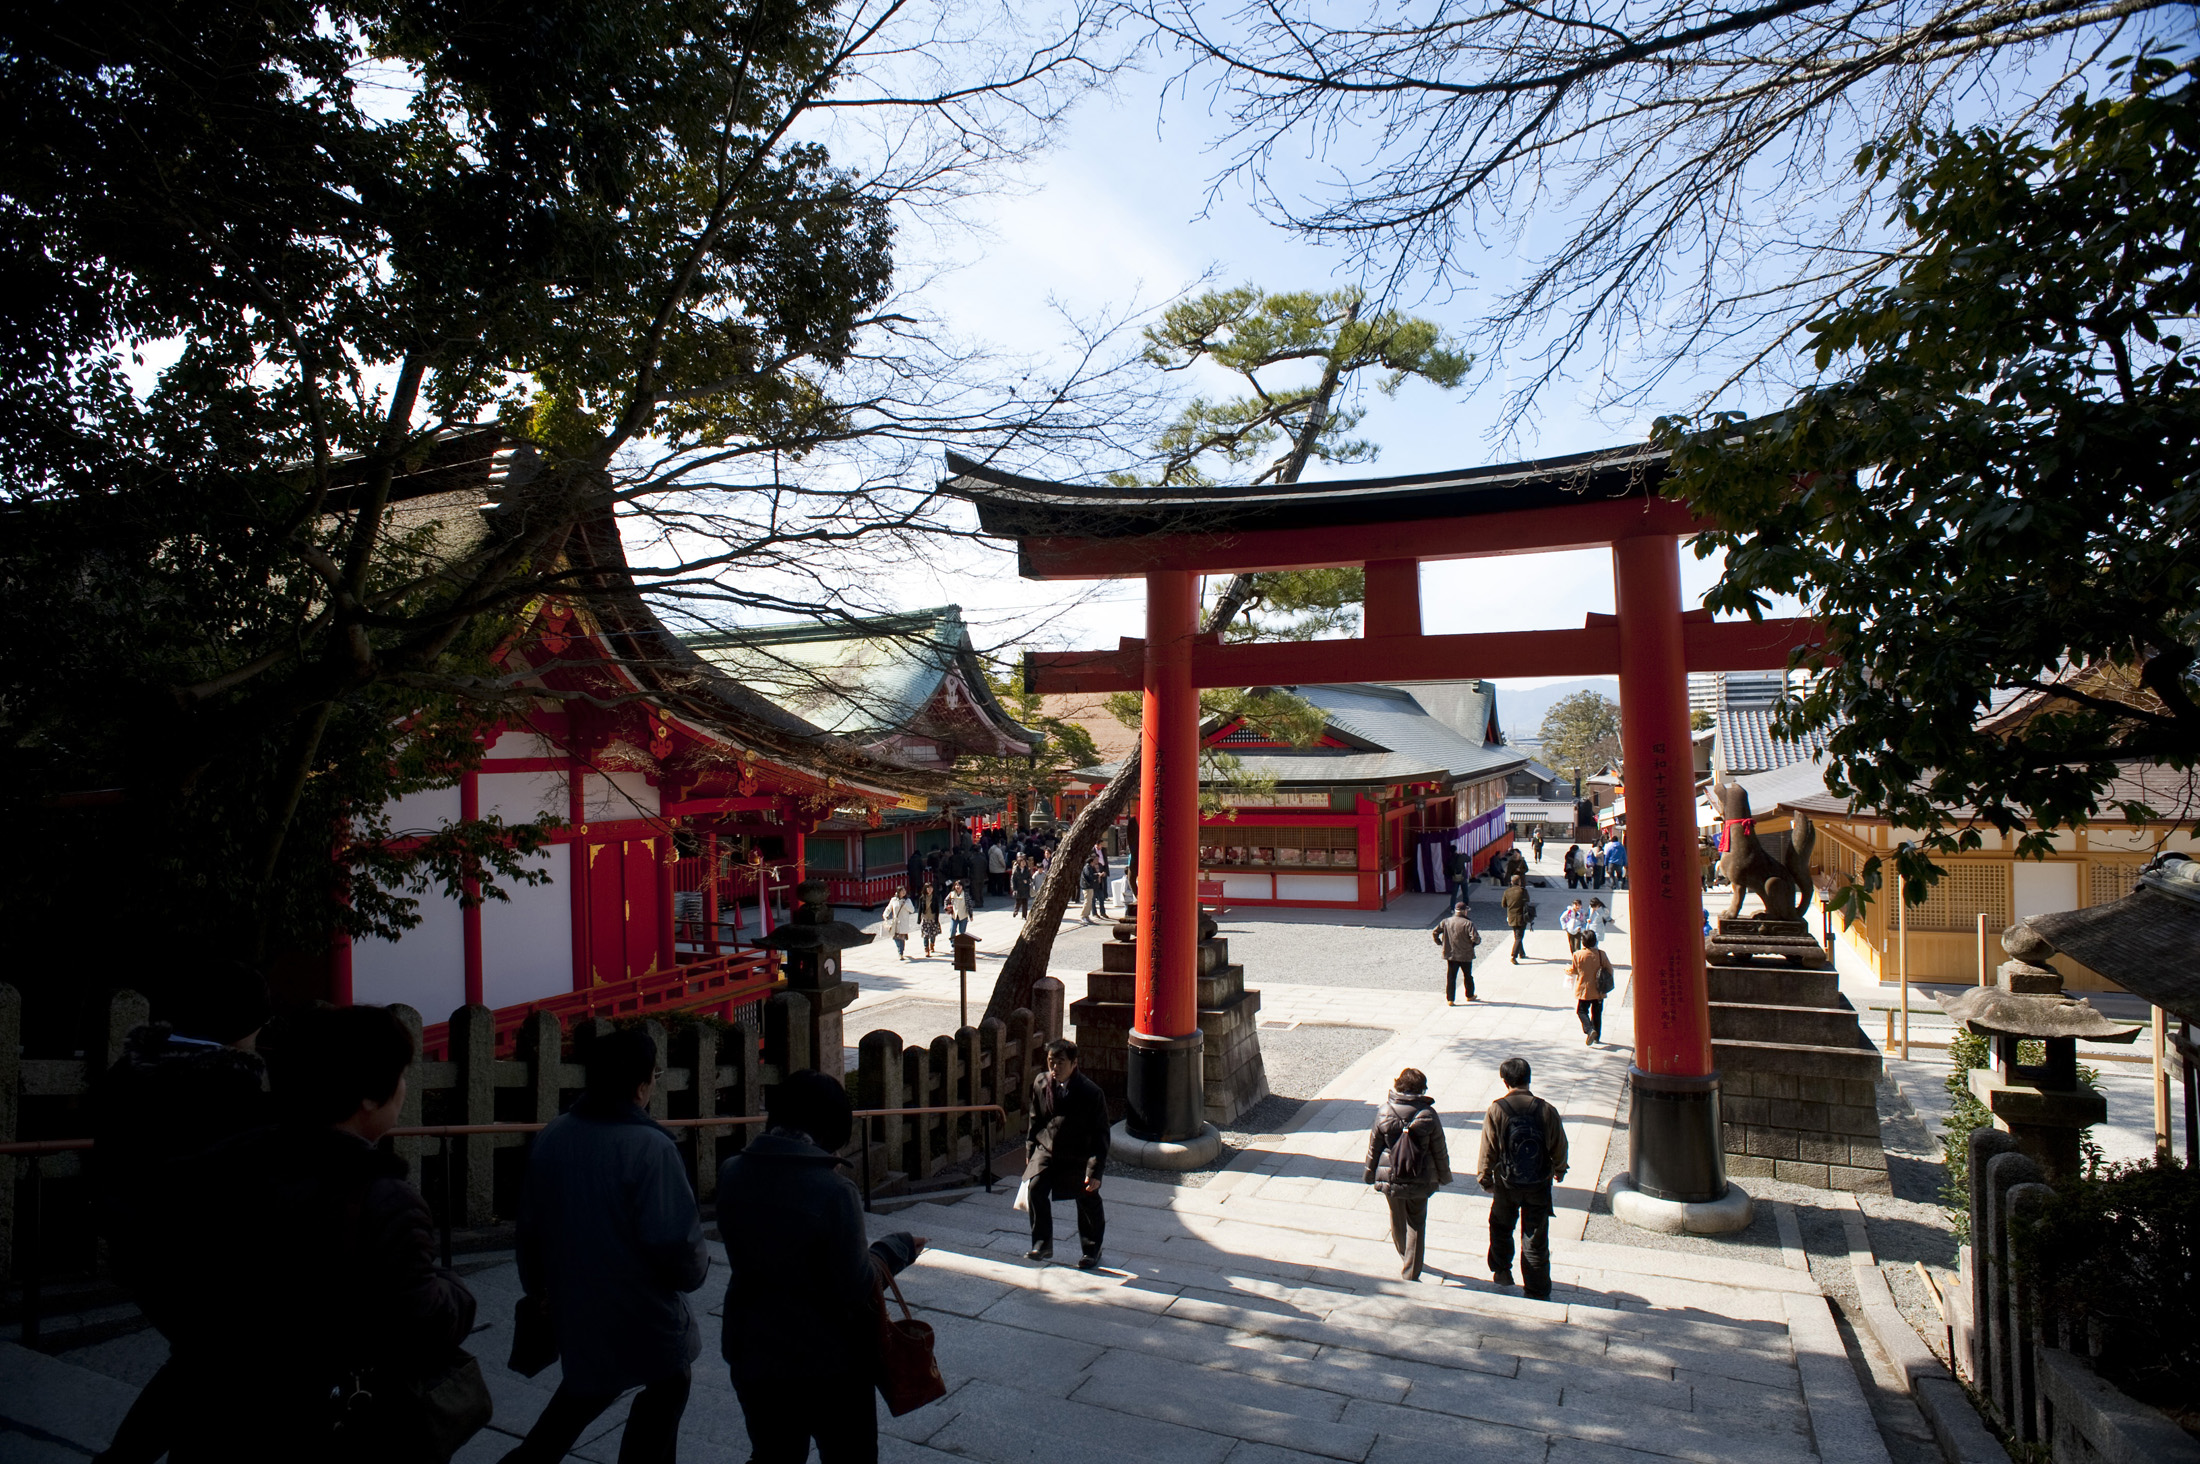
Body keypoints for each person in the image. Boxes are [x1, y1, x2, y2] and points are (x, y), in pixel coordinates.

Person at [157, 1005, 477, 1463]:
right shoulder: (382, 1200)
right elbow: (420, 1321)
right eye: (401, 1074)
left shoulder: (217, 1168)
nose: (404, 1088)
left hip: (216, 1418)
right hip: (327, 1422)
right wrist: (455, 1289)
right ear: (368, 1095)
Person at [92, 966, 273, 1464]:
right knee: (216, 1360)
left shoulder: (134, 1068)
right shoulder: (222, 1084)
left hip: (139, 1239)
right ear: (246, 1021)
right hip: (199, 1254)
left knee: (207, 1362)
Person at [504, 1030, 710, 1464]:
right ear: (641, 1085)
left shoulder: (555, 1134)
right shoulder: (650, 1148)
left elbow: (529, 1229)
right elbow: (678, 1243)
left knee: (580, 1396)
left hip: (573, 1304)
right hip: (640, 1309)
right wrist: (694, 1273)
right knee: (669, 1381)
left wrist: (539, 1288)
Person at [716, 1071, 925, 1464]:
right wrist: (892, 1250)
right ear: (831, 1127)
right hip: (828, 1362)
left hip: (752, 1349)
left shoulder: (731, 1173)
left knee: (773, 1454)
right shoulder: (834, 1192)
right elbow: (854, 1287)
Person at [1476, 1057, 1569, 1301]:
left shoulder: (1497, 1109)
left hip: (1507, 1182)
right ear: (1529, 1079)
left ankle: (1502, 1271)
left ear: (1504, 1081)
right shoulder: (1546, 1109)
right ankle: (1537, 1290)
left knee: (1501, 1225)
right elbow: (1559, 1143)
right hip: (1539, 1182)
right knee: (1536, 1236)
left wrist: (1484, 1177)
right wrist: (1559, 1168)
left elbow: (1489, 1148)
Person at [1024, 1039, 1108, 1269]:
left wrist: (1095, 1170)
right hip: (1047, 1148)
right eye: (1051, 1062)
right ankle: (1042, 1244)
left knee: (1087, 1197)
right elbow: (1035, 1120)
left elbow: (1101, 1135)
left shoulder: (1091, 1093)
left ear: (1074, 1063)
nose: (1055, 1068)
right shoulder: (1041, 1083)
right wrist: (1031, 1150)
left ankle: (1092, 1249)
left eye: (1061, 1062)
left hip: (1078, 1153)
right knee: (1035, 1187)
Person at [1364, 1067, 1454, 1281]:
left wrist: (1369, 1173)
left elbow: (1374, 1146)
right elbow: (1439, 1149)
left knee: (1397, 1217)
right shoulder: (1428, 1114)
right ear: (1421, 1089)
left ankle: (1405, 1254)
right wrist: (1443, 1175)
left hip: (1391, 1174)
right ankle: (1411, 1270)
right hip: (1420, 1175)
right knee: (1417, 1221)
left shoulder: (1385, 1111)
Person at [1568, 930, 1617, 1045]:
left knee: (1581, 1011)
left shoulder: (1578, 954)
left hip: (1585, 988)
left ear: (1583, 942)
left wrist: (1567, 970)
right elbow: (1610, 969)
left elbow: (1574, 970)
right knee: (1597, 1013)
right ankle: (1596, 1037)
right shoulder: (1601, 954)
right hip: (1599, 989)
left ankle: (1590, 1030)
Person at [1431, 903, 1480, 1004]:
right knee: (1467, 975)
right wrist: (1472, 945)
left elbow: (1435, 932)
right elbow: (1475, 938)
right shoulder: (1468, 923)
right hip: (1465, 954)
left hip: (1451, 954)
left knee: (1451, 976)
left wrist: (1440, 943)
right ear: (1464, 911)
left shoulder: (1446, 921)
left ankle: (1450, 999)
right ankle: (1469, 995)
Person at [1501, 873, 1533, 964]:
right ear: (1519, 882)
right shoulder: (1523, 891)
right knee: (1519, 937)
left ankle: (1521, 953)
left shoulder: (1507, 891)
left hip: (1511, 917)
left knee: (1517, 935)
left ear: (1511, 882)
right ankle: (1513, 956)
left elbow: (1503, 905)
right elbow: (1527, 901)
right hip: (1521, 917)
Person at [882, 885, 917, 960]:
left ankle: (900, 952)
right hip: (896, 921)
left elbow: (912, 910)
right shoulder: (893, 900)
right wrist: (885, 915)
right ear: (898, 892)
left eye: (904, 890)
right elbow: (889, 908)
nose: (904, 892)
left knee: (901, 937)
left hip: (904, 921)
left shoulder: (908, 900)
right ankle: (899, 949)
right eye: (902, 890)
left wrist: (905, 905)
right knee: (895, 937)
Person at [918, 874, 943, 958]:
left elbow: (937, 909)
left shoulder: (935, 897)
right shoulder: (922, 898)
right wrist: (919, 919)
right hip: (925, 918)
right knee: (925, 935)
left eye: (931, 888)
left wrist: (937, 918)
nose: (929, 890)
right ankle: (926, 949)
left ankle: (932, 944)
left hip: (933, 917)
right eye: (928, 888)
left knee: (933, 934)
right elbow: (920, 909)